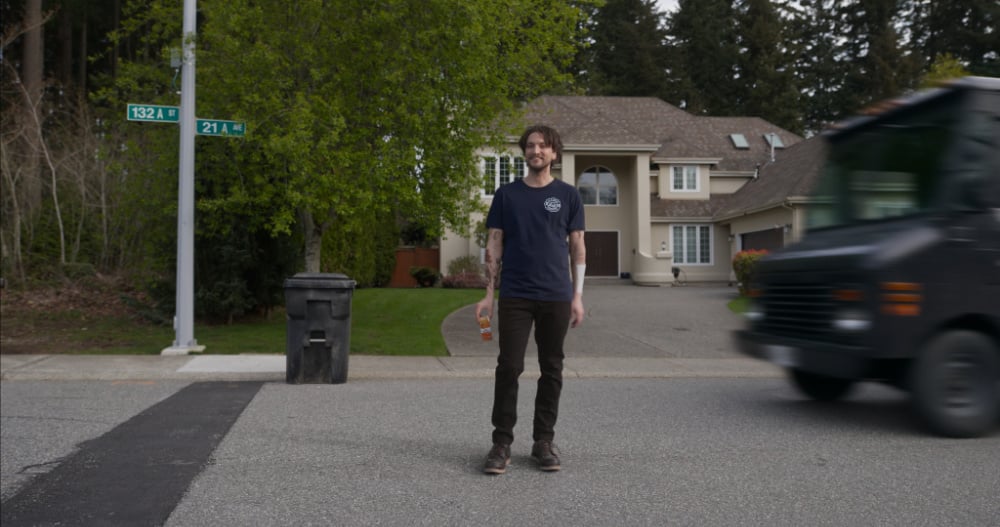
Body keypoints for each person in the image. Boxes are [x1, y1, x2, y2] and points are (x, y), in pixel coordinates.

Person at [475, 124, 586, 474]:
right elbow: (494, 244)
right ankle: (501, 442)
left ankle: (543, 441)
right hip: (516, 295)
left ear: (554, 153)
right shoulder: (507, 195)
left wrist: (578, 295)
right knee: (509, 366)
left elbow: (578, 247)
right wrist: (488, 294)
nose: (536, 151)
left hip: (556, 294)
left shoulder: (568, 196)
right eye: (531, 146)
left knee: (552, 368)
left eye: (543, 146)